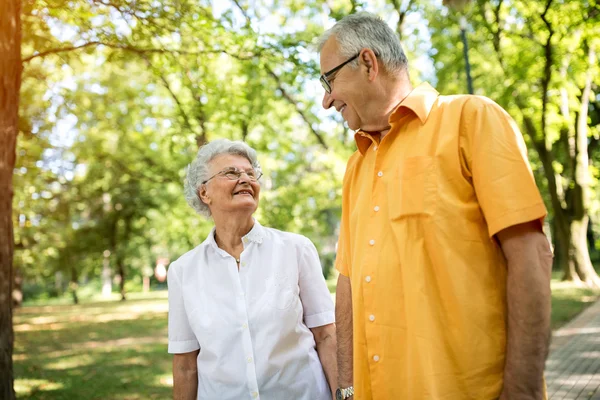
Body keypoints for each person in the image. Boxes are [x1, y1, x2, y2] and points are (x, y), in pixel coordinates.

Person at [318, 12, 553, 400]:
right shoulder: (356, 166)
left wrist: (523, 391)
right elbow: (347, 283)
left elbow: (532, 255)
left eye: (329, 80)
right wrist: (346, 387)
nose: (326, 100)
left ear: (367, 63)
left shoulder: (472, 118)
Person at [167, 139, 337, 400]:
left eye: (250, 173)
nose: (245, 179)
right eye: (231, 173)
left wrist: (344, 393)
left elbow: (326, 336)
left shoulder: (296, 248)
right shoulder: (183, 271)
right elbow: (185, 365)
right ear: (204, 193)